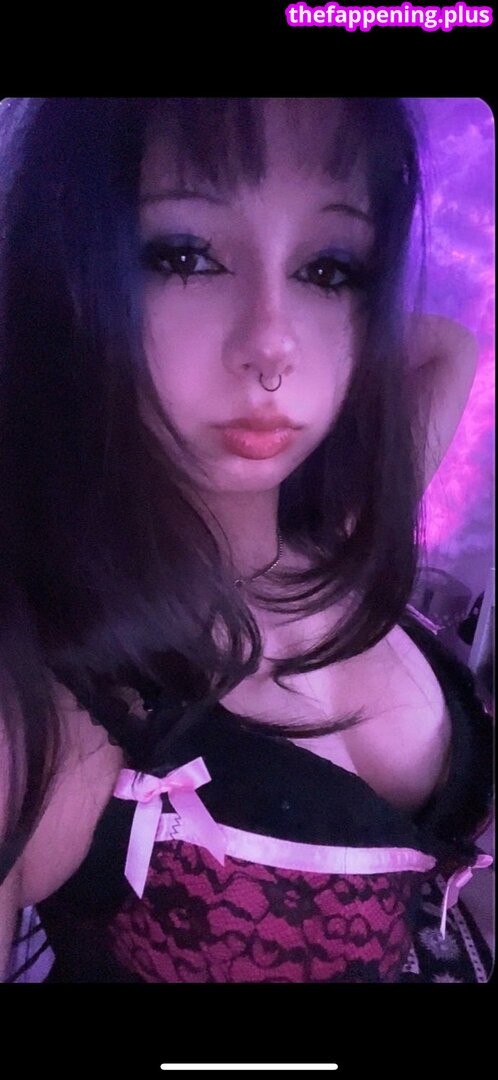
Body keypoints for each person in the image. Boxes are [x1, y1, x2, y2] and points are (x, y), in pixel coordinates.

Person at [0, 97, 493, 984]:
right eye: (184, 255)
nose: (273, 345)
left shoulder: (338, 535)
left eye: (330, 268)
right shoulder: (51, 694)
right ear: (71, 283)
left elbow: (446, 348)